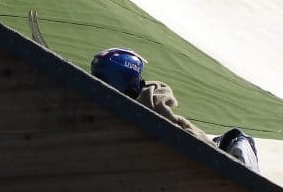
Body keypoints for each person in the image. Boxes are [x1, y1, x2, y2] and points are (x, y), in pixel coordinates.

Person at [90, 48, 260, 172]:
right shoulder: (159, 121)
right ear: (132, 87)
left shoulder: (92, 115)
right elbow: (202, 149)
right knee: (238, 138)